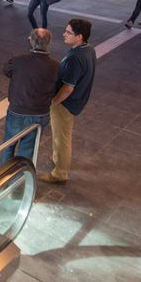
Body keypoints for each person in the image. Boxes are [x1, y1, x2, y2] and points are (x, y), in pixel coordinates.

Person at [44, 19, 95, 184]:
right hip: (76, 101)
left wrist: (53, 102)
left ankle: (60, 173)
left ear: (79, 36)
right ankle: (57, 158)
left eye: (68, 32)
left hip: (66, 104)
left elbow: (67, 88)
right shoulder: (88, 50)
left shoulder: (75, 58)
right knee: (62, 135)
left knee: (62, 138)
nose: (64, 34)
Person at [1, 28, 59, 163]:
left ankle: (3, 177)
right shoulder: (56, 66)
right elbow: (57, 87)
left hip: (17, 110)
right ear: (49, 43)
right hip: (40, 114)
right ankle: (23, 176)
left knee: (8, 145)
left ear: (31, 41)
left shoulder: (18, 61)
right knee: (28, 149)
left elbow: (7, 71)